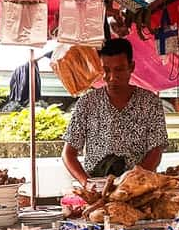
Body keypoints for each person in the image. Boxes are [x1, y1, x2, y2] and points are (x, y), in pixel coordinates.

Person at [61, 38, 168, 187]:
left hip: (139, 188)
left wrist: (133, 182)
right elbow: (68, 154)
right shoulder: (87, 102)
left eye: (119, 70)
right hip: (98, 188)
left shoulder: (150, 102)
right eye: (106, 70)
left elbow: (156, 150)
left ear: (131, 67)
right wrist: (87, 183)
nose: (112, 77)